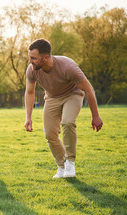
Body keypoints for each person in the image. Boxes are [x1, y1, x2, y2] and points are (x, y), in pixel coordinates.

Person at [24, 38, 103, 178]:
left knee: (67, 122)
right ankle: (62, 166)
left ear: (46, 57)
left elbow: (89, 89)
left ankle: (70, 162)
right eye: (30, 57)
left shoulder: (67, 67)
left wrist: (95, 116)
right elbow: (29, 92)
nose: (30, 61)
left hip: (72, 94)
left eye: (33, 58)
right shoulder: (32, 70)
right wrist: (28, 117)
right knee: (50, 134)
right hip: (52, 98)